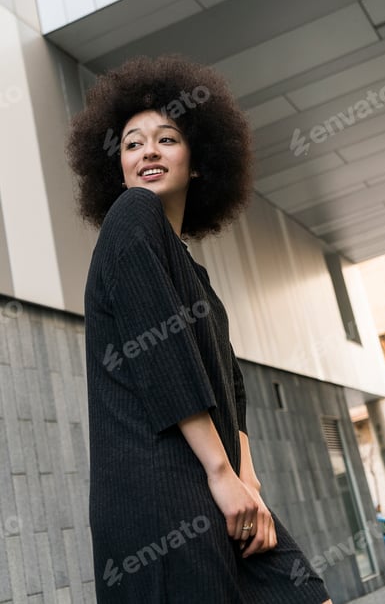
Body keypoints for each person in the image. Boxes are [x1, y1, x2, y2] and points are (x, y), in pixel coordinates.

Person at [66, 55, 333, 603]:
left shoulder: (193, 272)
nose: (148, 153)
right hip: (162, 492)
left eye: (167, 139)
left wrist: (247, 475)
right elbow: (163, 356)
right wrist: (219, 471)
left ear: (200, 160)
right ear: (117, 168)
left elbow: (231, 385)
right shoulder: (131, 216)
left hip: (223, 483)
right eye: (133, 144)